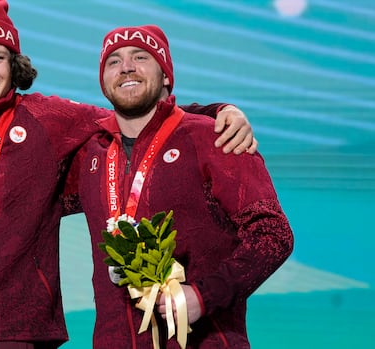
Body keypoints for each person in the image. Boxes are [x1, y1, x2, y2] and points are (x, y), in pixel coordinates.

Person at [0, 1, 256, 348]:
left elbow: (135, 110)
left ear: (14, 63)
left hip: (15, 328)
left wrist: (217, 110)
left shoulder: (49, 118)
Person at [59, 25, 294, 348]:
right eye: (113, 61)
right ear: (103, 83)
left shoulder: (214, 138)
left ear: (166, 76)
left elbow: (273, 234)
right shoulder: (91, 154)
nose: (126, 66)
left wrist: (203, 295)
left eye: (140, 57)